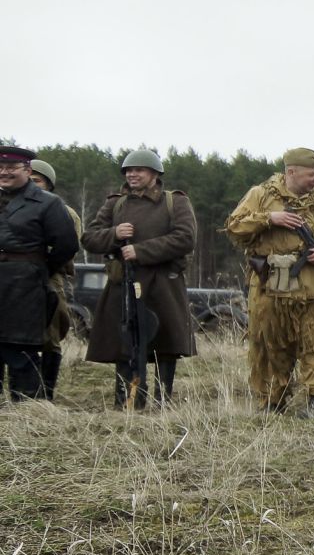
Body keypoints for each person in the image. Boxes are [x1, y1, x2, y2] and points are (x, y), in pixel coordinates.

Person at [224, 148, 314, 415]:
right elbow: (234, 227)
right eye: (312, 174)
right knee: (272, 343)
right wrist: (269, 219)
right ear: (291, 172)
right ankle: (272, 401)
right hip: (273, 285)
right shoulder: (260, 195)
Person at [81, 149, 199, 407]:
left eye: (139, 170)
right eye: (128, 170)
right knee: (126, 344)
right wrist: (114, 233)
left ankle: (162, 402)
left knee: (166, 346)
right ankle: (127, 402)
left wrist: (141, 251)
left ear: (154, 174)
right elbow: (89, 238)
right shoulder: (115, 203)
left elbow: (185, 238)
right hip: (123, 283)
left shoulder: (175, 202)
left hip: (163, 283)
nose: (132, 174)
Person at [0, 144, 80, 401]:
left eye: (11, 167)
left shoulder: (47, 203)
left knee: (21, 350)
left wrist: (37, 269)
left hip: (26, 287)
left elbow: (67, 244)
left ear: (27, 169)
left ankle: (26, 411)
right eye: (0, 168)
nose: (5, 172)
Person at [27, 160, 83, 400]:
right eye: (29, 180)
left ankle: (45, 395)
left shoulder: (64, 211)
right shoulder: (9, 207)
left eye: (37, 180)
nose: (32, 185)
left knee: (50, 336)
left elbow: (69, 246)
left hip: (51, 278)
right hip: (13, 279)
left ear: (49, 184)